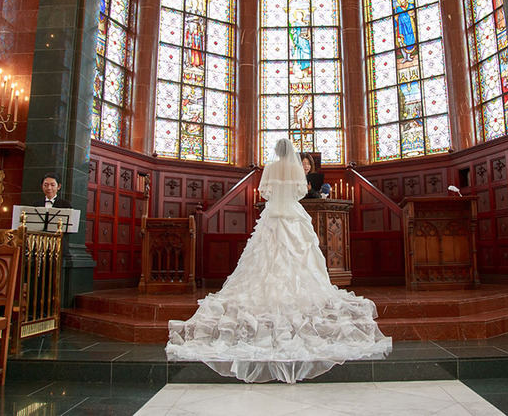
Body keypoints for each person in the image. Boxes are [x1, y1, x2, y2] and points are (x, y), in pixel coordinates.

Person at [167, 138, 391, 383]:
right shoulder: (295, 169)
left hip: (273, 216)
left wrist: (276, 192)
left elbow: (266, 192)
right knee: (300, 255)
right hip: (293, 216)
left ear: (276, 153)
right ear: (292, 154)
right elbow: (302, 192)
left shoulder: (271, 168)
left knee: (265, 257)